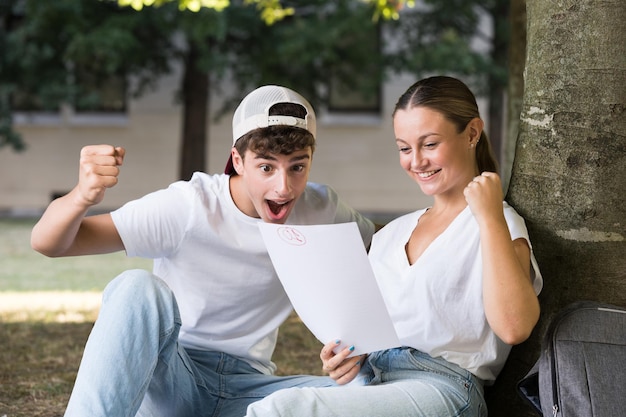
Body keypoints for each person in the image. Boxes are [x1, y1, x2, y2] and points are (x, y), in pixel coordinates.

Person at [30, 85, 375, 417]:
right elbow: (49, 243)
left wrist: (359, 345)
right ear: (238, 160)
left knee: (369, 387)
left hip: (252, 391)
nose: (283, 188)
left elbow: (391, 251)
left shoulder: (322, 208)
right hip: (173, 376)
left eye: (297, 167)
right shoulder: (189, 207)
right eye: (266, 167)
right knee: (137, 287)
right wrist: (81, 197)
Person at [244, 76, 543, 417]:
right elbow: (368, 331)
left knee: (281, 409)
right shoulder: (390, 235)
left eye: (429, 144)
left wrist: (488, 216)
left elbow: (514, 327)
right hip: (375, 381)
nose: (415, 161)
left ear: (472, 133)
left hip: (440, 388)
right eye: (404, 148)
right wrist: (349, 359)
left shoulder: (496, 222)